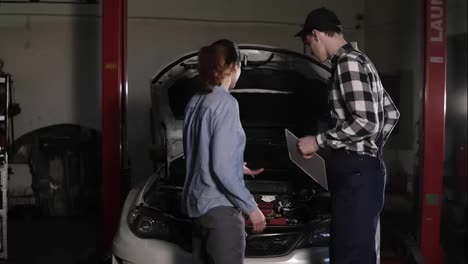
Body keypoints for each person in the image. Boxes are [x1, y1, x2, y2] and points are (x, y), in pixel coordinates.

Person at [294, 7, 400, 264]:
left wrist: (318, 141)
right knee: (357, 252)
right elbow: (391, 113)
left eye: (309, 44)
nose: (312, 51)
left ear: (317, 34)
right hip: (363, 173)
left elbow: (366, 123)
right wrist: (372, 152)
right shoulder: (362, 60)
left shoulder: (347, 63)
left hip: (356, 175)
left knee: (348, 255)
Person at [182, 39, 266, 264]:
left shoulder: (195, 102)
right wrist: (252, 207)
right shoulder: (227, 103)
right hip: (220, 212)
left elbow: (197, 152)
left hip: (198, 209)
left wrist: (237, 165)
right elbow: (219, 168)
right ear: (235, 66)